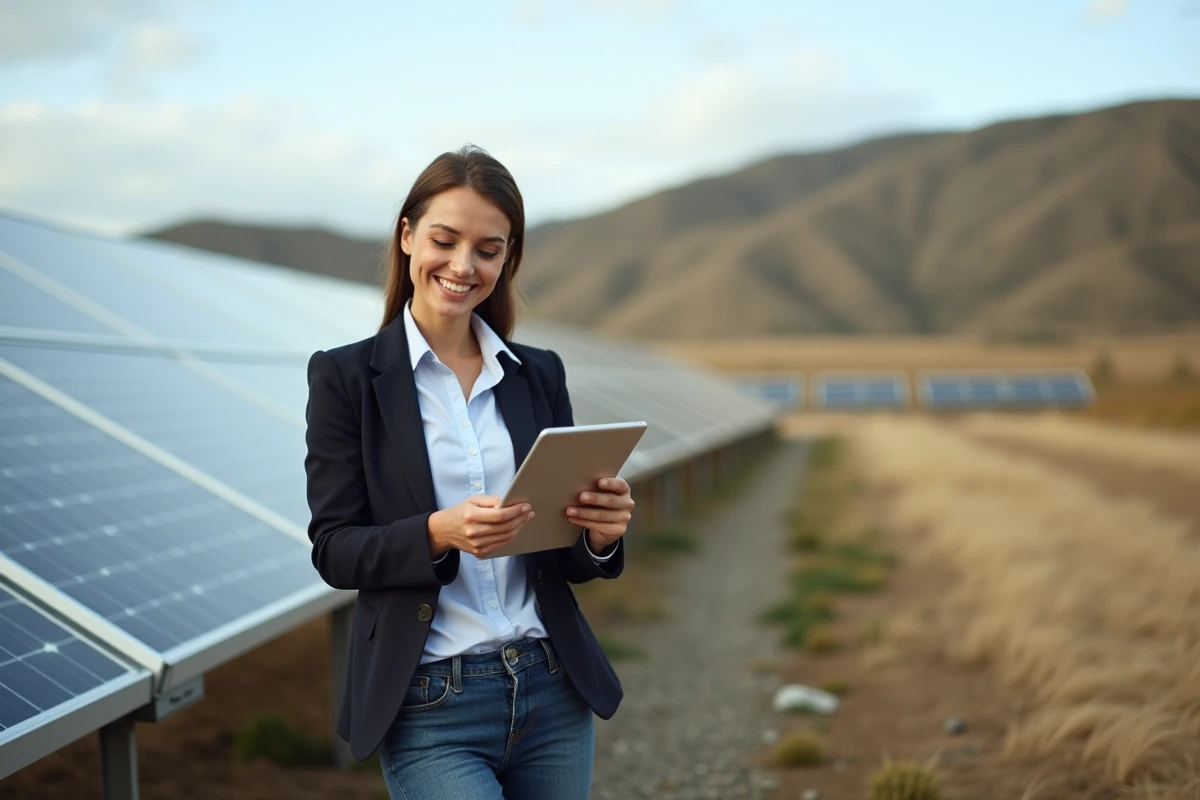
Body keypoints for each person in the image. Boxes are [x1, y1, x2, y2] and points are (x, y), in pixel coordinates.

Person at [303, 145, 634, 799]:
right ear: (407, 236)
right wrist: (438, 532)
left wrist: (599, 535)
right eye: (444, 240)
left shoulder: (538, 373)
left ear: (507, 259)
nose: (463, 266)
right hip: (430, 701)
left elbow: (564, 557)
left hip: (551, 686)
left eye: (487, 249)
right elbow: (334, 549)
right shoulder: (346, 377)